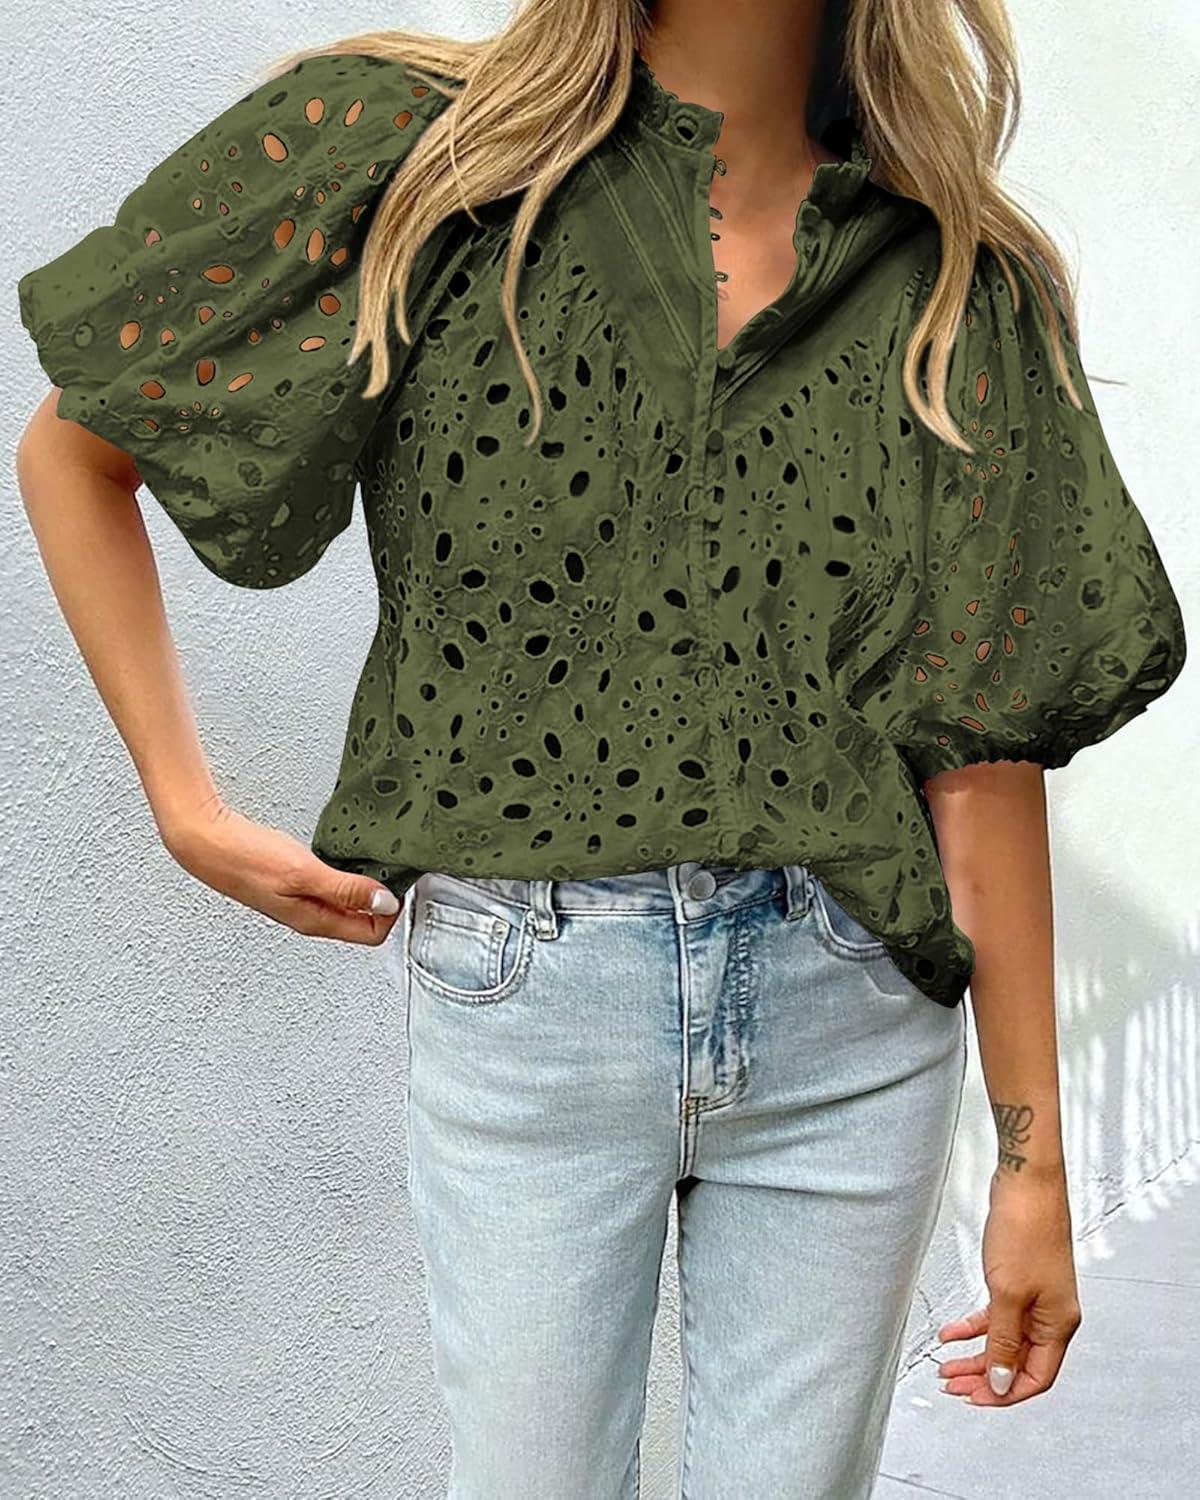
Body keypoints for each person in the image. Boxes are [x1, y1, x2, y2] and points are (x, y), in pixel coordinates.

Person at [14, 1, 1188, 1495]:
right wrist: (183, 807)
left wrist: (1032, 1169)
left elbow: (984, 746)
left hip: (849, 1014)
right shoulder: (419, 161)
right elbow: (79, 446)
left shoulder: (955, 278)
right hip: (529, 1000)